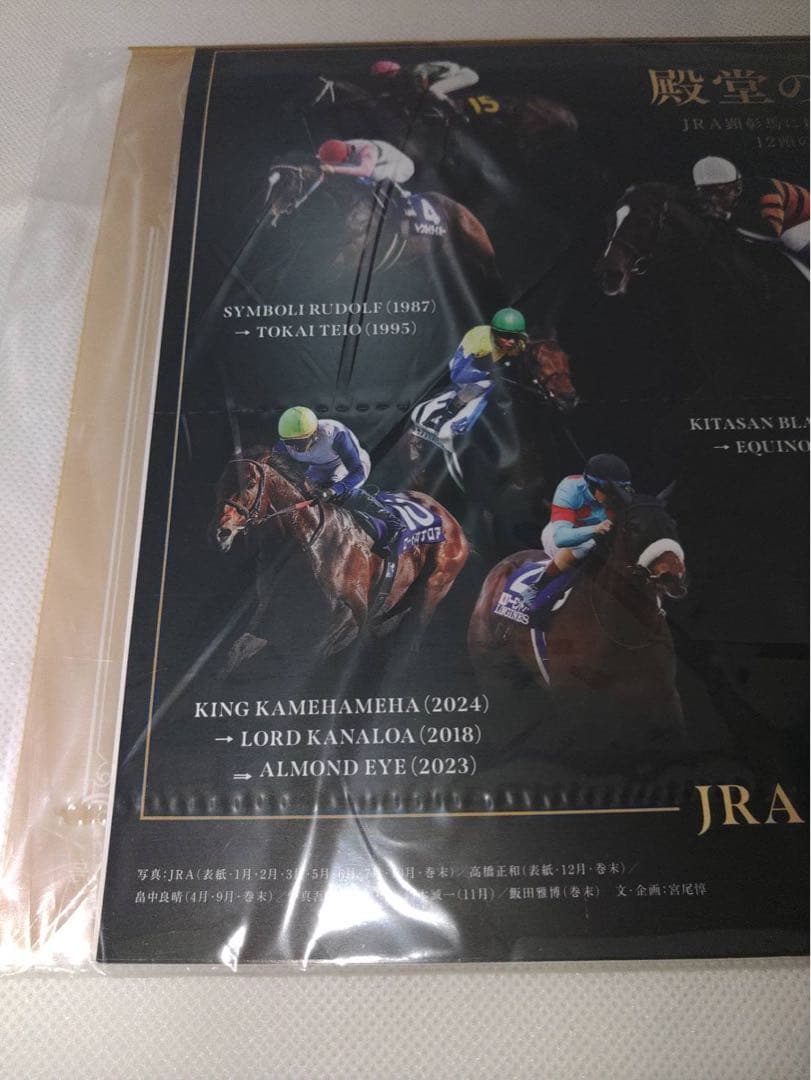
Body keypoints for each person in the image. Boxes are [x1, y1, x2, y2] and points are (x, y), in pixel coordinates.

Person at [275, 407, 404, 555]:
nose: (294, 447)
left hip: (348, 465)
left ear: (314, 433)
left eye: (299, 442)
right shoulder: (284, 444)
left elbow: (358, 472)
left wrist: (333, 490)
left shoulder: (334, 434)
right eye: (289, 442)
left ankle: (392, 522)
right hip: (319, 467)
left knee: (337, 494)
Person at [527, 454, 634, 629]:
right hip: (560, 534)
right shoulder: (570, 488)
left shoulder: (619, 498)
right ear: (592, 485)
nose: (613, 499)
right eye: (610, 493)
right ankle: (537, 593)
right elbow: (561, 538)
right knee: (586, 546)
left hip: (599, 538)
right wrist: (595, 529)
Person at [692, 156, 809, 267]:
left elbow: (772, 230)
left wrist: (728, 216)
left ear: (737, 188)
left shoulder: (764, 191)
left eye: (720, 192)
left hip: (805, 219)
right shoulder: (733, 198)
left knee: (791, 238)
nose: (713, 199)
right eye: (707, 193)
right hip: (787, 220)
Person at [429, 308, 529, 433]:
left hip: (484, 364)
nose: (512, 342)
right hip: (460, 367)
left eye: (515, 337)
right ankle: (449, 417)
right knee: (485, 384)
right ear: (494, 333)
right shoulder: (478, 339)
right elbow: (456, 375)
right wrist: (487, 374)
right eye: (506, 336)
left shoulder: (519, 343)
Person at [370, 58, 479, 114]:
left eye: (382, 76)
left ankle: (456, 110)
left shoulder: (413, 71)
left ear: (390, 72)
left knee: (433, 90)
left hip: (465, 75)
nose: (384, 79)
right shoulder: (406, 73)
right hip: (460, 75)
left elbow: (422, 88)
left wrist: (392, 94)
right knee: (429, 92)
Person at [316, 138, 415, 197]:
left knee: (374, 174)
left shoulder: (367, 151)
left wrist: (334, 169)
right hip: (382, 158)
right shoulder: (343, 145)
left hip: (403, 169)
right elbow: (330, 154)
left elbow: (365, 171)